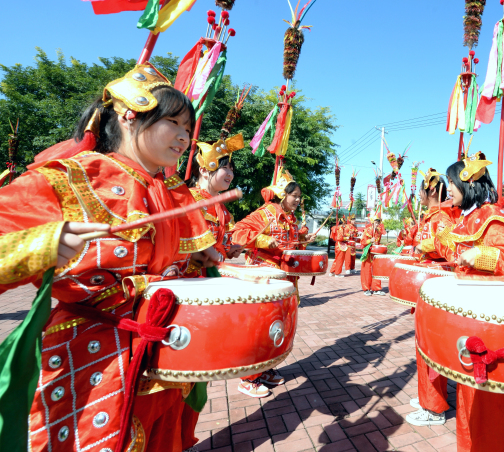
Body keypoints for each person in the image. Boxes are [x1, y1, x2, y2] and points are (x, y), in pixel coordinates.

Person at [0, 63, 220, 452]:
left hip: (164, 357)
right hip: (92, 358)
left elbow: (187, 259)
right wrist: (43, 242)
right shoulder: (72, 177)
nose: (185, 137)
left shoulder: (172, 192)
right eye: (174, 123)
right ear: (129, 116)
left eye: (188, 128)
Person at [409, 153, 504, 452]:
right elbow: (450, 250)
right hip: (467, 314)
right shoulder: (466, 218)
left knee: (483, 400)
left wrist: (483, 257)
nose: (447, 189)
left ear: (468, 184)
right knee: (467, 394)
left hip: (487, 320)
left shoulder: (491, 216)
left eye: (451, 183)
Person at [231, 165, 313, 398]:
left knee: (278, 327)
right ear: (282, 194)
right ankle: (247, 378)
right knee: (259, 327)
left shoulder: (290, 218)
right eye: (293, 196)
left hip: (286, 280)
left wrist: (304, 238)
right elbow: (238, 233)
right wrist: (265, 240)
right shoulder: (265, 214)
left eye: (299, 197)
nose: (297, 200)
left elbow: (292, 246)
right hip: (264, 282)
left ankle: (264, 369)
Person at [406, 168, 456, 428]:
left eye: (423, 190)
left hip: (436, 288)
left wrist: (422, 246)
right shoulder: (430, 217)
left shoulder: (443, 220)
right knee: (423, 346)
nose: (420, 195)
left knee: (431, 348)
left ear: (432, 191)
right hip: (426, 287)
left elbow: (448, 248)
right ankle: (427, 396)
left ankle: (434, 408)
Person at [185, 133, 245, 268]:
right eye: (224, 168)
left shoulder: (222, 209)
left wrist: (228, 250)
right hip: (189, 277)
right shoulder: (188, 200)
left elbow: (219, 245)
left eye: (232, 169)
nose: (230, 174)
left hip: (213, 276)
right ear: (204, 171)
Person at [359, 210, 385, 296]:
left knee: (377, 271)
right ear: (372, 222)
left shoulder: (378, 231)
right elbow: (362, 242)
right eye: (376, 222)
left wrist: (380, 246)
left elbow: (378, 242)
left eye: (378, 222)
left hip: (375, 254)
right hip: (368, 253)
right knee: (366, 271)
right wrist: (370, 240)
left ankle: (376, 288)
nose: (378, 224)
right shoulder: (367, 230)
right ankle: (366, 288)